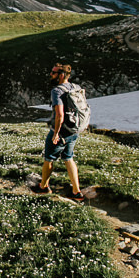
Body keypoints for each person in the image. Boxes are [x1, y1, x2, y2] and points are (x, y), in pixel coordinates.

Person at [32, 64, 83, 201]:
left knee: (49, 159)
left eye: (53, 73)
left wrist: (56, 133)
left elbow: (59, 114)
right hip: (73, 130)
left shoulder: (57, 91)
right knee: (68, 158)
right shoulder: (76, 87)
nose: (50, 74)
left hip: (60, 131)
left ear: (61, 75)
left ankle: (43, 187)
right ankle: (76, 192)